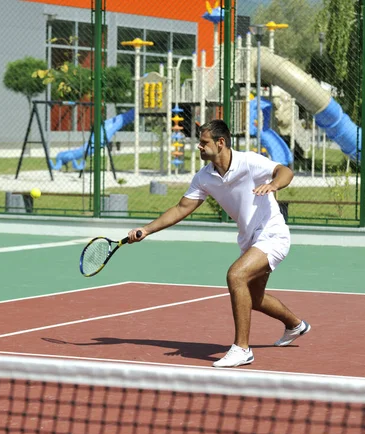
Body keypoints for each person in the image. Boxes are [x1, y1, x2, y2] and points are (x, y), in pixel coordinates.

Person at [127, 119, 310, 368]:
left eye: (204, 143)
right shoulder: (205, 177)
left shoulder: (249, 162)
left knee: (236, 276)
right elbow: (182, 208)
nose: (199, 148)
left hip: (273, 235)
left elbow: (285, 171)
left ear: (220, 142)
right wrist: (146, 229)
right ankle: (295, 325)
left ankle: (242, 349)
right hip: (249, 240)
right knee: (254, 299)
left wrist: (273, 184)